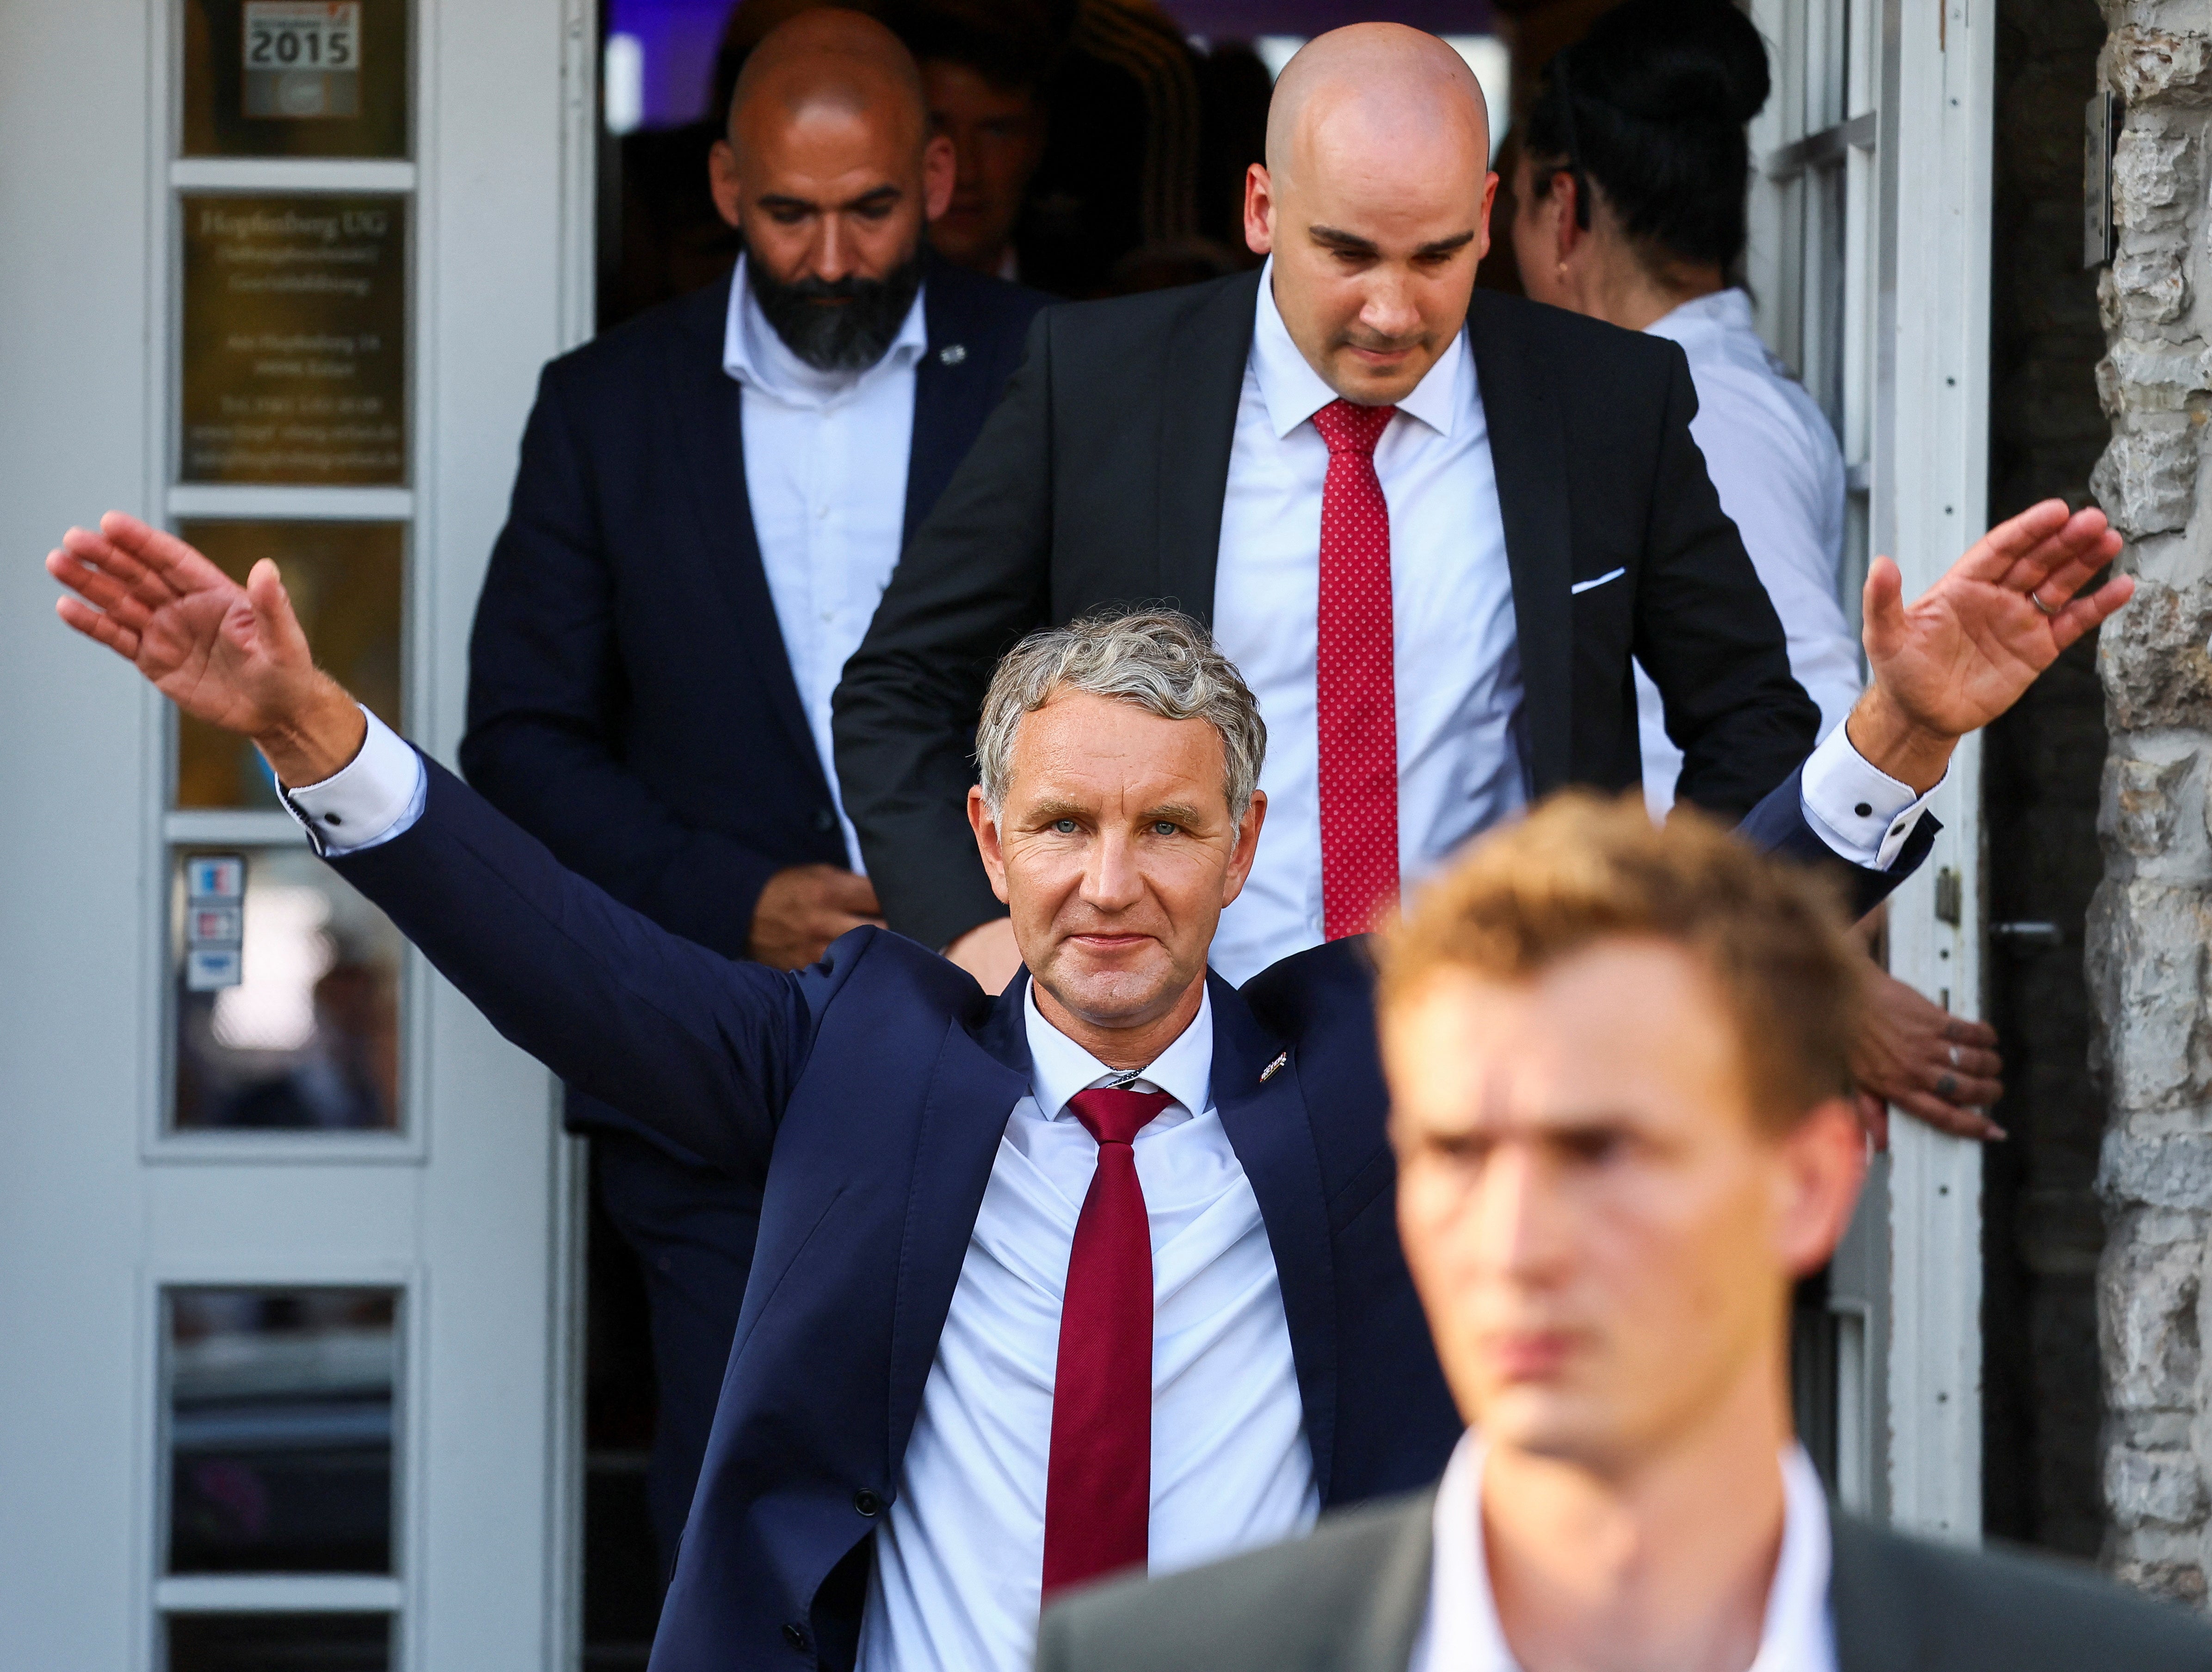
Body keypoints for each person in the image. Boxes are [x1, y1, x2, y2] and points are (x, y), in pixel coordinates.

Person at [46, 496, 2123, 1672]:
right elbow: (562, 961)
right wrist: (317, 738)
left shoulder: (1360, 1059)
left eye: (1159, 831)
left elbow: (1672, 950)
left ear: (1242, 846)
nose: (1106, 885)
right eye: (1058, 830)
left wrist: (1891, 736)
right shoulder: (862, 1052)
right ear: (982, 834)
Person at [1035, 796, 2212, 1672]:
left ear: (1807, 1179)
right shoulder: (1147, 1656)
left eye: (1602, 1151)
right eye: (1456, 1153)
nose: (1514, 1237)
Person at [834, 23, 1839, 994]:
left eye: (1438, 256)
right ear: (1262, 209)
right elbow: (898, 686)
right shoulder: (1097, 384)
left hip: (1503, 1048)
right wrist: (978, 935)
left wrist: (1660, 946)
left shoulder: (1607, 400)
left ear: (1490, 213)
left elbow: (1752, 710)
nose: (1394, 310)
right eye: (1349, 255)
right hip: (1174, 1056)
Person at [457, 7, 1046, 1571]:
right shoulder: (603, 407)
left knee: (984, 1518)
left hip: (1006, 1035)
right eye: (792, 213)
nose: (836, 258)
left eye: (872, 212)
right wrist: (729, 895)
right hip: (707, 1043)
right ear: (723, 186)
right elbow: (519, 738)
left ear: (933, 178)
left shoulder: (1053, 369)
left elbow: (1130, 689)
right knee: (742, 1524)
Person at [1509, 0, 2003, 1146]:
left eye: (1513, 203)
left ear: (1564, 207)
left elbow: (1809, 706)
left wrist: (1814, 971)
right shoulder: (1689, 383)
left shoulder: (1702, 408)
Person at [905, 0, 1054, 282]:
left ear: (1037, 139)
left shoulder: (1086, 314)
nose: (966, 174)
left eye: (997, 132)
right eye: (934, 128)